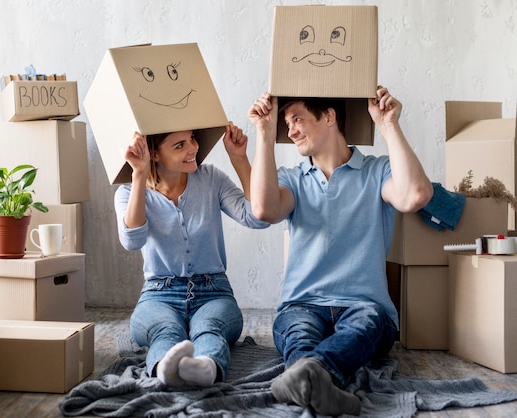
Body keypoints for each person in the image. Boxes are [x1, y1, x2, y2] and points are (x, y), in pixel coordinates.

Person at [247, 87, 433, 416]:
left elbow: (415, 196)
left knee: (369, 324)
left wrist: (389, 125)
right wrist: (263, 131)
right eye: (285, 123)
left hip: (365, 307)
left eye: (297, 119)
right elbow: (263, 209)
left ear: (329, 116)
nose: (289, 131)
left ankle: (307, 375)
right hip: (302, 306)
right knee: (297, 333)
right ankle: (316, 377)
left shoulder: (378, 172)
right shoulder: (292, 179)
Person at [114, 123, 269, 388]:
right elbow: (132, 241)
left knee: (209, 327)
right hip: (158, 294)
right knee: (166, 331)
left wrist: (239, 158)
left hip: (214, 291)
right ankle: (166, 370)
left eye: (192, 139)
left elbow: (257, 217)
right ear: (154, 154)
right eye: (180, 145)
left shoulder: (211, 179)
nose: (194, 149)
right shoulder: (128, 192)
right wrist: (139, 174)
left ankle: (206, 368)